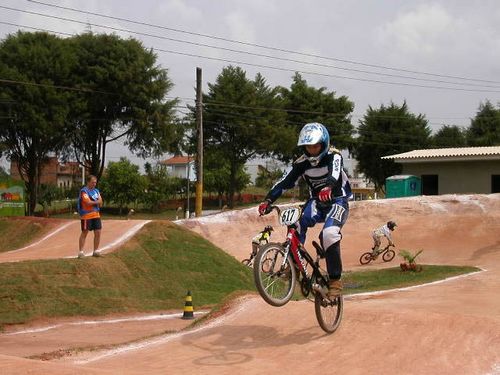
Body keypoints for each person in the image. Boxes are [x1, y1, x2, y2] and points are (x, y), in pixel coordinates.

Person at [258, 122, 351, 298]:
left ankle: (335, 281)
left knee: (329, 234)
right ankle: (293, 266)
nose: (312, 150)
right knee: (295, 223)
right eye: (308, 146)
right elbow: (284, 183)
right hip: (316, 202)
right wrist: (268, 200)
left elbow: (335, 174)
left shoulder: (334, 156)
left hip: (338, 201)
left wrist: (328, 187)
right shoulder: (301, 163)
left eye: (316, 145)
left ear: (323, 144)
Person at [78, 175, 103, 258]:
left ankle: (95, 251)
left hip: (96, 214)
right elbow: (87, 202)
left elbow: (101, 201)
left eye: (95, 182)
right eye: (93, 182)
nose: (94, 184)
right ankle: (81, 252)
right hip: (86, 215)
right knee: (85, 232)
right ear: (88, 182)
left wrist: (95, 202)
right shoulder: (84, 191)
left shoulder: (96, 191)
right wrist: (97, 201)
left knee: (98, 232)